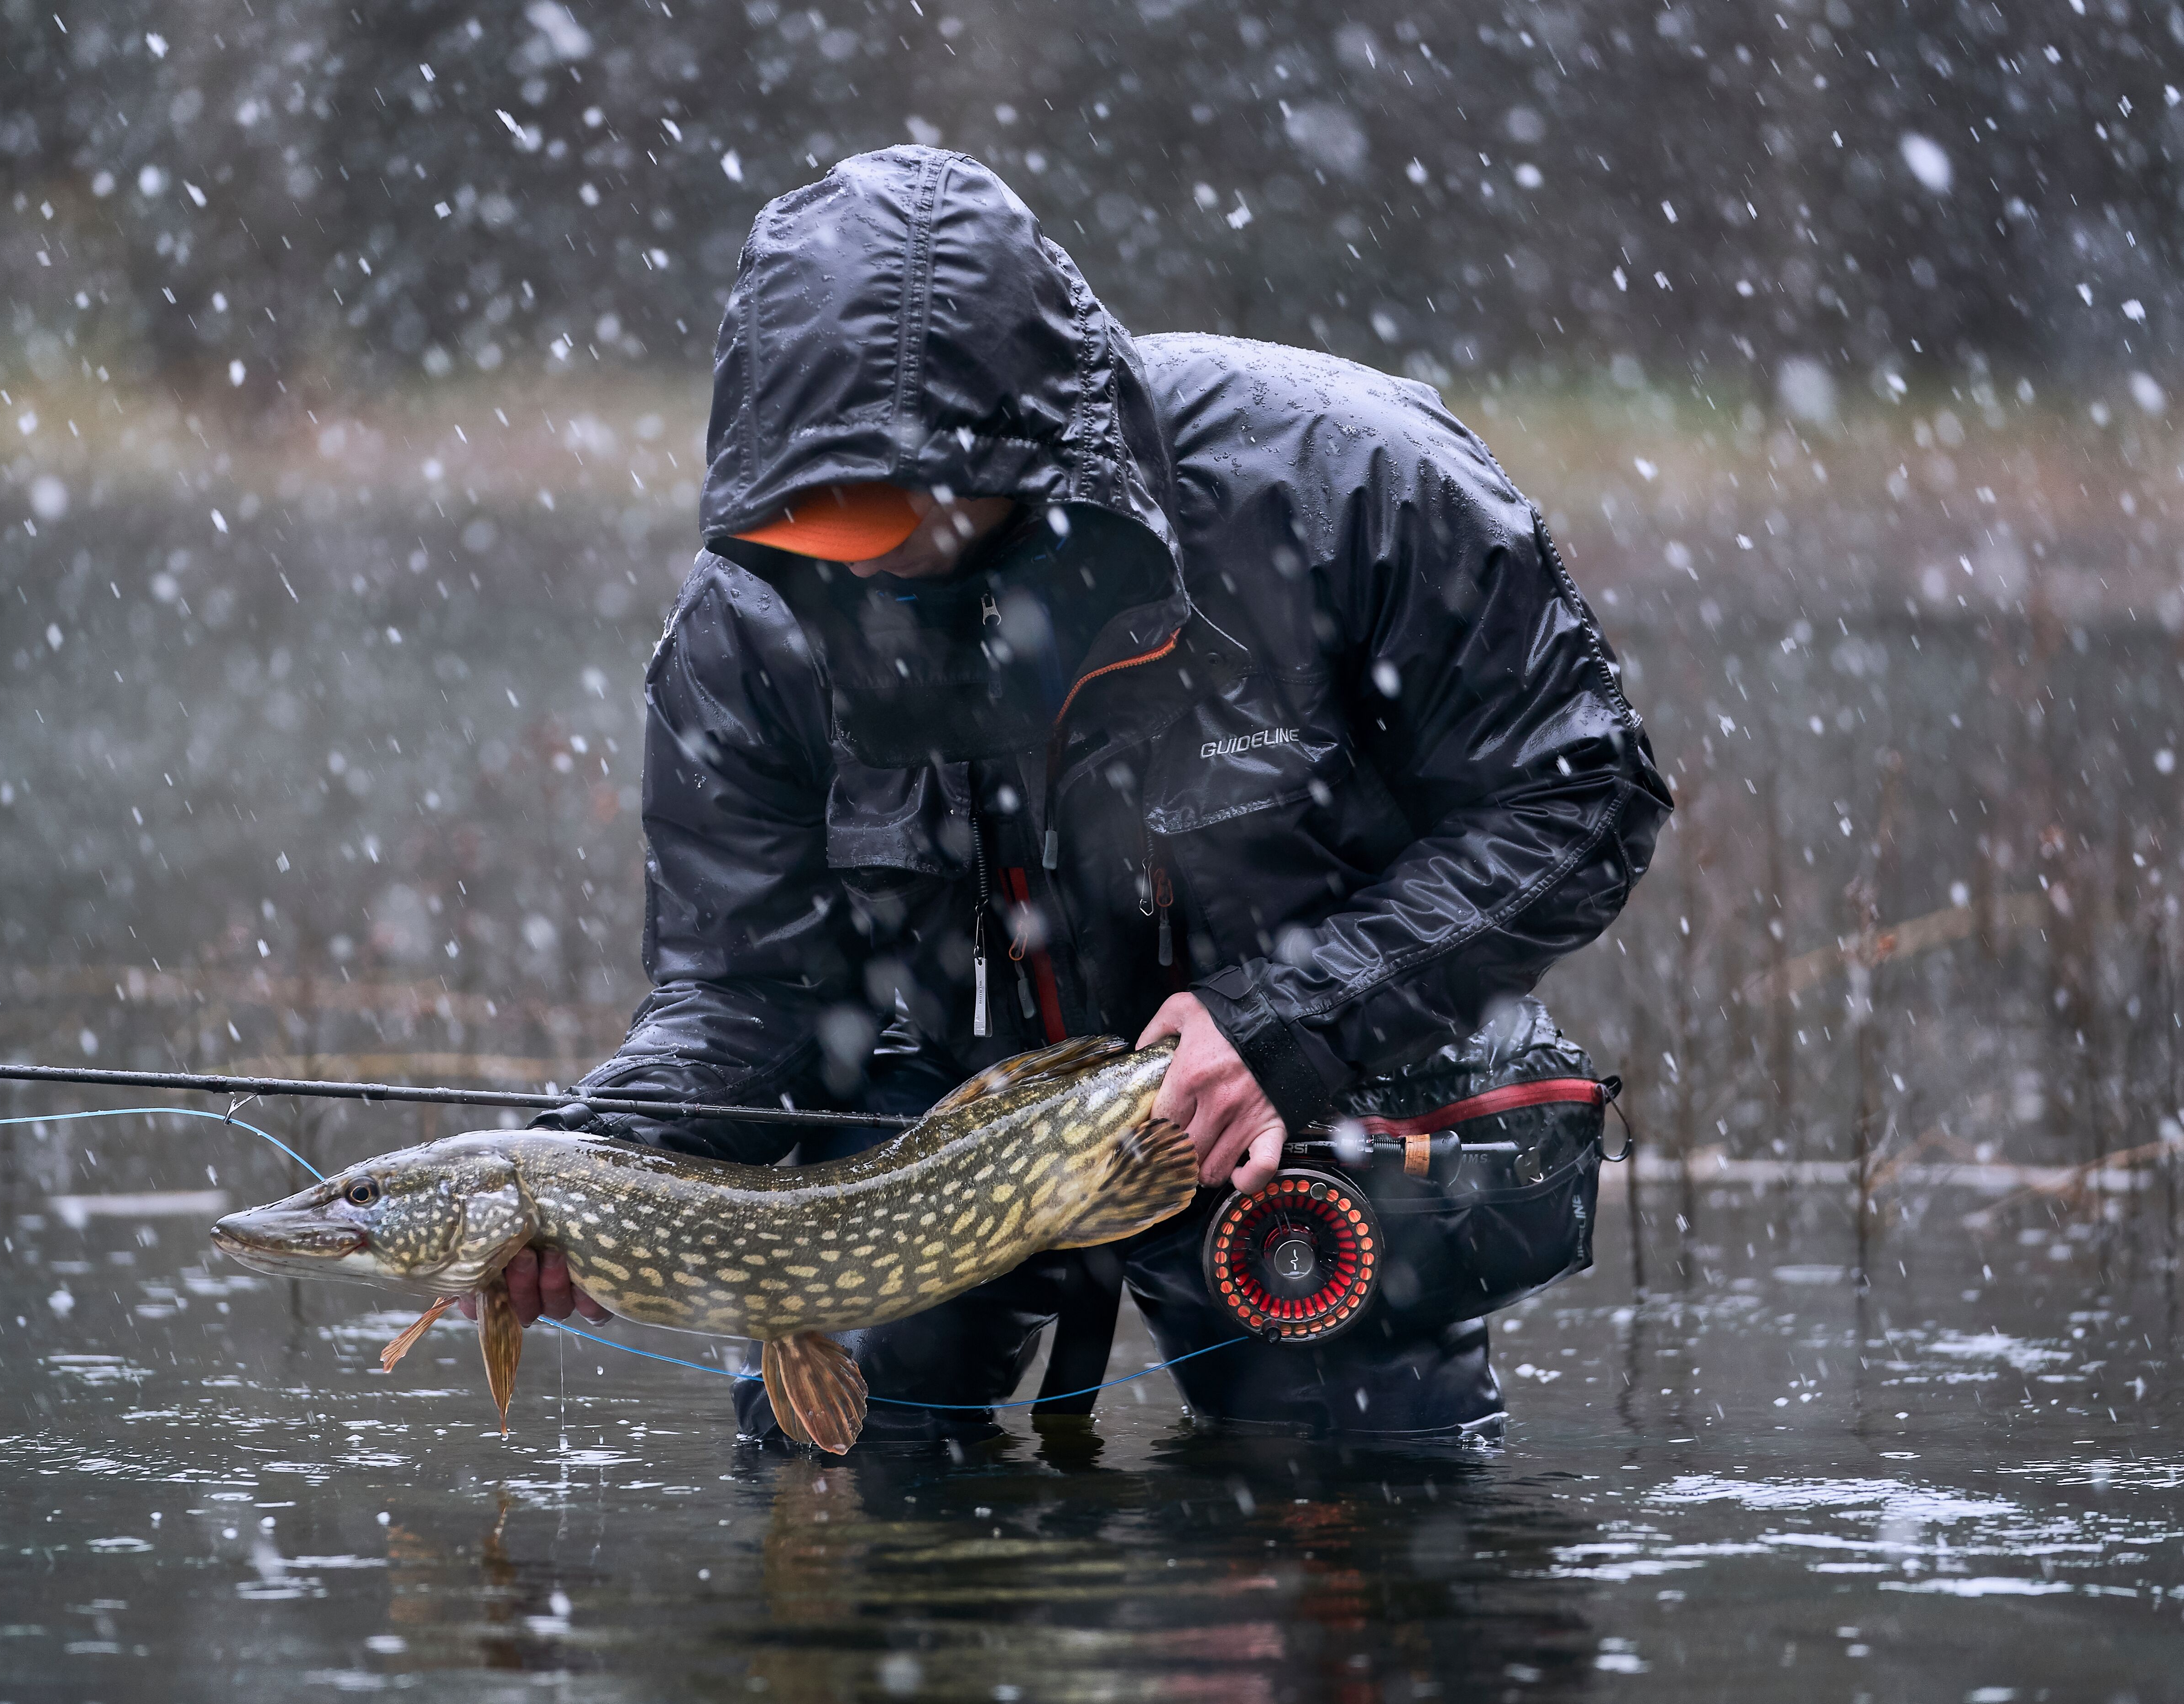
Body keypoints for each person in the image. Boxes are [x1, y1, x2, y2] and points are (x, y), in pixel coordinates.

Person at [507, 145, 1669, 1442]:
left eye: (887, 513)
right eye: (807, 520)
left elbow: (1578, 799)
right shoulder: (746, 621)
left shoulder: (1351, 482)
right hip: (929, 1125)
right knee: (834, 1468)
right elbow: (744, 991)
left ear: (1006, 467)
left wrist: (1291, 1020)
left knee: (1355, 1504)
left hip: (1315, 1089)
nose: (843, 559)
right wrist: (587, 1170)